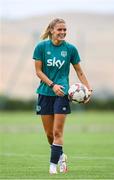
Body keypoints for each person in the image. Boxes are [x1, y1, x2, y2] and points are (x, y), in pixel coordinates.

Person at [33, 18, 92, 174]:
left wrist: (89, 89)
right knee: (49, 134)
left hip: (62, 94)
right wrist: (52, 85)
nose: (63, 32)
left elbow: (79, 71)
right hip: (45, 93)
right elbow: (38, 71)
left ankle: (53, 167)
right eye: (60, 30)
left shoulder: (71, 49)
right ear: (52, 30)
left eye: (65, 30)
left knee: (58, 132)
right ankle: (60, 157)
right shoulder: (41, 47)